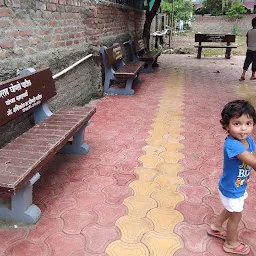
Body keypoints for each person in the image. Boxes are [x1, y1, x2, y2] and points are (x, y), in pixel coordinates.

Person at [208, 100, 256, 255]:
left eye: (248, 123)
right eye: (237, 124)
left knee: (230, 209)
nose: (244, 128)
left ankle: (216, 227)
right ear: (226, 126)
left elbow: (252, 157)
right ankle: (230, 243)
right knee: (236, 215)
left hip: (238, 185)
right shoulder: (233, 145)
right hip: (232, 188)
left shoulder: (248, 139)